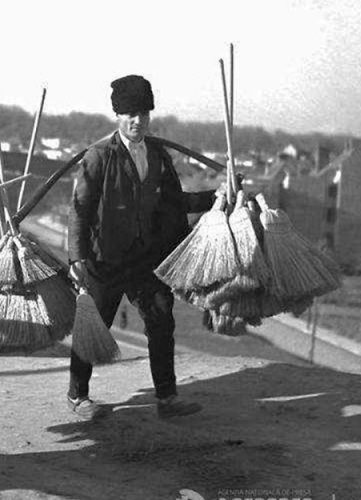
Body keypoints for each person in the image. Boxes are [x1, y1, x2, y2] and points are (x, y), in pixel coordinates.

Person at [66, 75, 217, 421]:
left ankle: (167, 397)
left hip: (146, 259)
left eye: (144, 114)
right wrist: (77, 257)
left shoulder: (158, 155)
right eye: (131, 114)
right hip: (105, 259)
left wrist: (215, 198)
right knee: (94, 325)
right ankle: (78, 396)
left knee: (161, 320)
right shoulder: (99, 156)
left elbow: (176, 203)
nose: (138, 121)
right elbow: (80, 209)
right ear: (118, 116)